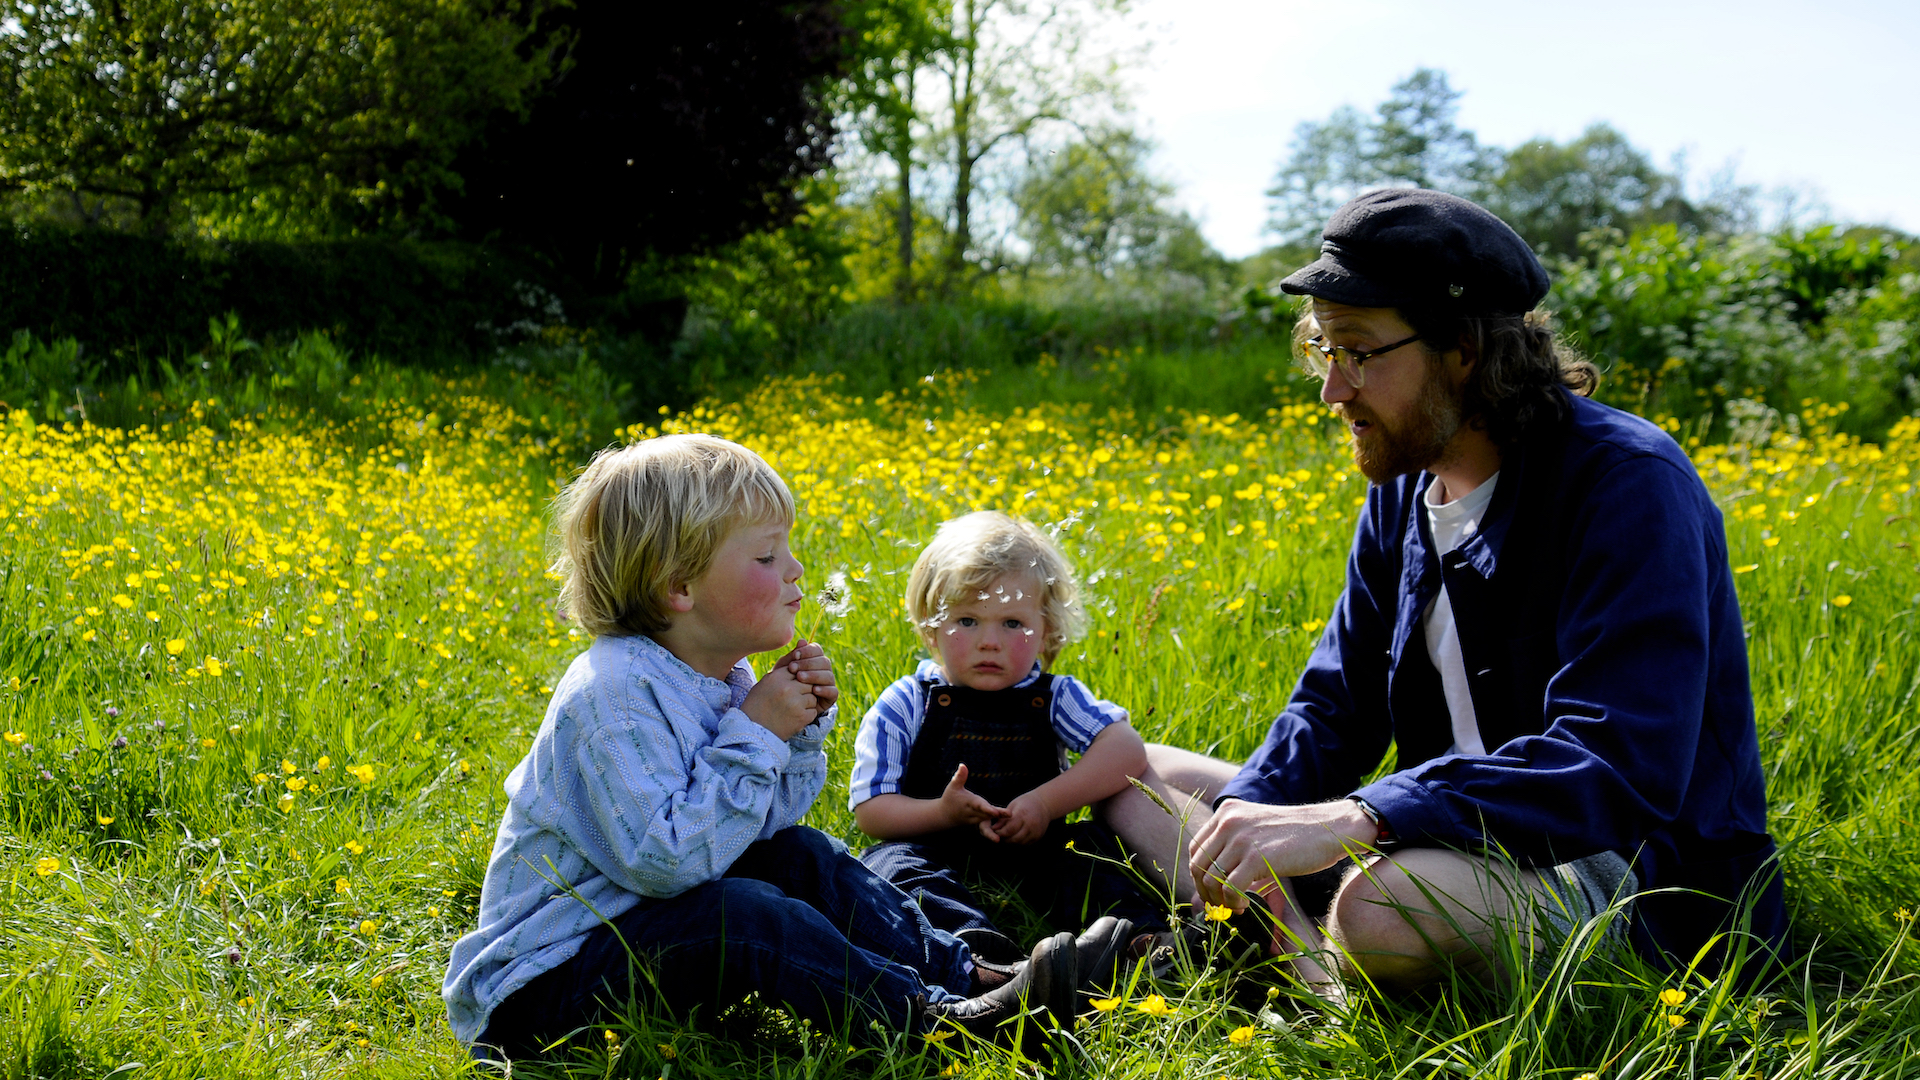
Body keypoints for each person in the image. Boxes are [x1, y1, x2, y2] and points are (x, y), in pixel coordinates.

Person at [1101, 189, 1789, 994]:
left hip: (1617, 870)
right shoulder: (1404, 486)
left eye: (1357, 352)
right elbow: (1335, 706)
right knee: (1130, 776)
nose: (1333, 390)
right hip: (1437, 830)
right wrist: (1239, 825)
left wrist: (1363, 817)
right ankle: (1278, 941)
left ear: (1464, 348)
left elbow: (1615, 765)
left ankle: (1304, 963)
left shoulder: (1626, 485)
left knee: (1382, 908)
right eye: (1324, 350)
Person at [442, 435, 1081, 1063]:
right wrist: (758, 732)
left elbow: (759, 832)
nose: (796, 570)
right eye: (768, 556)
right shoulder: (611, 695)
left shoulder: (721, 676)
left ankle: (977, 978)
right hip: (547, 983)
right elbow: (665, 862)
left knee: (800, 854)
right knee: (742, 919)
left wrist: (793, 733)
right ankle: (938, 1026)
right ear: (680, 588)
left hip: (647, 927)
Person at [851, 511, 1166, 972]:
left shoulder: (1053, 696)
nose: (990, 642)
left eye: (1013, 624)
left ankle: (1140, 939)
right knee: (890, 866)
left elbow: (1125, 748)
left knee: (1093, 850)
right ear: (930, 628)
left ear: (1046, 632)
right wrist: (941, 813)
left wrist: (1044, 803)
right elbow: (872, 812)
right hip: (931, 843)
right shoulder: (908, 702)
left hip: (1038, 845)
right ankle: (979, 954)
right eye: (967, 620)